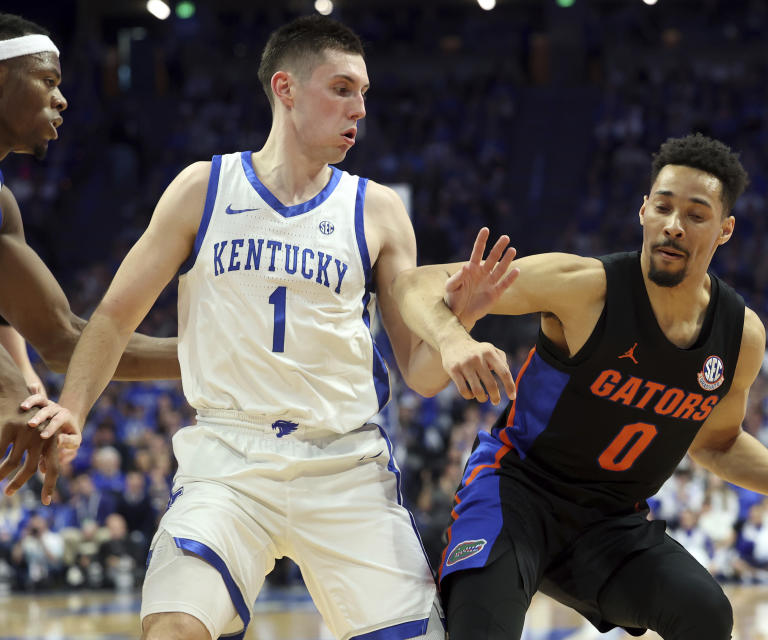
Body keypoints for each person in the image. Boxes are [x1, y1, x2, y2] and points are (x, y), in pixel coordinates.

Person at [29, 15, 514, 640]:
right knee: (172, 629)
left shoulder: (379, 210)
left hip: (345, 464)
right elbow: (115, 317)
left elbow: (418, 374)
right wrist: (73, 409)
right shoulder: (202, 189)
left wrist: (462, 318)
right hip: (229, 460)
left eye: (364, 93)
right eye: (342, 89)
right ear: (285, 88)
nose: (359, 109)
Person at [393, 133, 768, 639]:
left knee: (706, 614)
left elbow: (717, 445)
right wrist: (452, 340)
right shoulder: (584, 288)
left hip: (611, 523)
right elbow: (412, 285)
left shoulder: (739, 336)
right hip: (516, 493)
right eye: (663, 207)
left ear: (725, 230)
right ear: (643, 212)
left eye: (696, 215)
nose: (674, 226)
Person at [0, 13, 179, 504]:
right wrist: (11, 389)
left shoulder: (3, 207)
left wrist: (216, 358)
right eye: (47, 80)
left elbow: (62, 339)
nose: (62, 99)